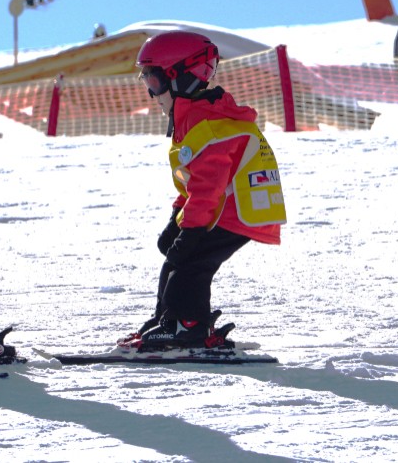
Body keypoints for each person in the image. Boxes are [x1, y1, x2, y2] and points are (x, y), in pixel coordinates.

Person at [121, 31, 286, 351]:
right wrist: (176, 220)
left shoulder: (209, 122)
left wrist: (191, 230)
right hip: (221, 208)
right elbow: (193, 181)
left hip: (239, 212)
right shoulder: (194, 116)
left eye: (153, 83)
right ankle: (169, 321)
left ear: (178, 78)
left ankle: (191, 327)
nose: (152, 95)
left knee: (191, 268)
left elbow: (209, 187)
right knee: (175, 262)